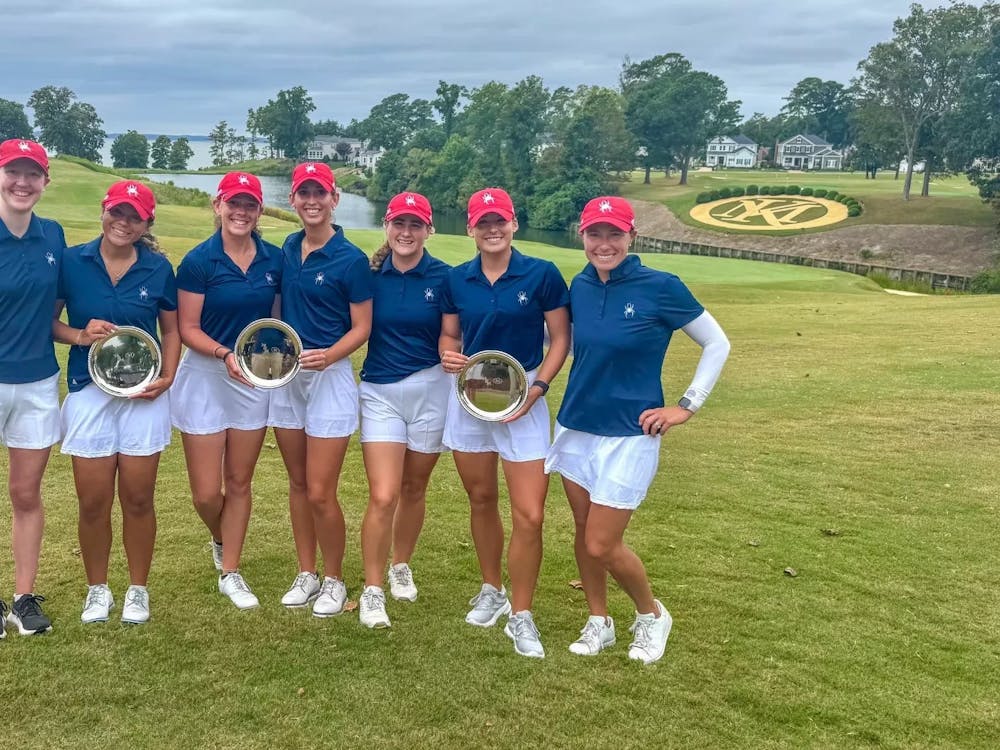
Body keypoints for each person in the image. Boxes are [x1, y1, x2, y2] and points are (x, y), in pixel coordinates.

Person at [544, 196, 730, 664]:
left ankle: (651, 614)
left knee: (601, 542)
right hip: (577, 425)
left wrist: (686, 406)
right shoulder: (580, 285)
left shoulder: (661, 287)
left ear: (632, 236)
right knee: (583, 530)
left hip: (631, 433)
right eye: (595, 234)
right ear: (583, 236)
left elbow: (716, 342)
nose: (603, 244)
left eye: (614, 234)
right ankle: (599, 620)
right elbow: (567, 344)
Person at [439, 188, 570, 658]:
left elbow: (560, 338)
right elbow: (450, 334)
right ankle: (492, 589)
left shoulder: (541, 274)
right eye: (483, 222)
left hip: (525, 395)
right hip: (472, 395)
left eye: (500, 220)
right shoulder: (457, 279)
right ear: (471, 229)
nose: (492, 229)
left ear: (514, 223)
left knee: (530, 514)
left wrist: (539, 389)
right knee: (481, 498)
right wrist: (447, 354)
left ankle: (522, 613)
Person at [53, 181, 180, 625]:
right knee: (93, 501)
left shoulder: (158, 268)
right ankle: (98, 589)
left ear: (147, 224)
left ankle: (138, 590)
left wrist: (168, 376)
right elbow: (50, 322)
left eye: (134, 216)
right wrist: (79, 335)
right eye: (117, 212)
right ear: (103, 211)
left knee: (139, 498)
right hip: (89, 392)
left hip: (143, 395)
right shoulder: (72, 261)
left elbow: (171, 330)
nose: (124, 223)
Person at [171, 172, 282, 610]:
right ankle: (221, 537)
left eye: (250, 204)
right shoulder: (199, 261)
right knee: (205, 493)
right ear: (218, 205)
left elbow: (276, 321)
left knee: (238, 481)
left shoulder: (274, 259)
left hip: (252, 378)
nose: (241, 212)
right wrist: (223, 354)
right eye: (233, 203)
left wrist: (270, 360)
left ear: (259, 211)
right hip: (205, 374)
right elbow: (188, 328)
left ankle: (231, 571)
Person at [269, 162, 372, 618]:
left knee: (320, 490)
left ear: (335, 199)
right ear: (293, 199)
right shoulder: (288, 248)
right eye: (304, 193)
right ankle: (306, 572)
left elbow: (362, 327)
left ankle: (334, 579)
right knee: (297, 483)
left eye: (320, 193)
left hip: (329, 378)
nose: (312, 201)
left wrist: (329, 355)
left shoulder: (351, 259)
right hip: (288, 376)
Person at [356, 192, 451, 628]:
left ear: (429, 230)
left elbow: (456, 333)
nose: (406, 232)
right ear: (387, 227)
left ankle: (401, 564)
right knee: (383, 494)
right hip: (380, 392)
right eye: (399, 223)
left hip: (432, 390)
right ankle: (372, 590)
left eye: (415, 224)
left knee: (414, 488)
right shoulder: (369, 277)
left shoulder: (446, 278)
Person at [0, 139, 65, 637]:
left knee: (26, 493)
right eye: (12, 172)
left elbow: (57, 306)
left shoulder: (53, 236)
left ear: (45, 181)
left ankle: (23, 598)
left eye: (32, 174)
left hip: (39, 381)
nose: (22, 183)